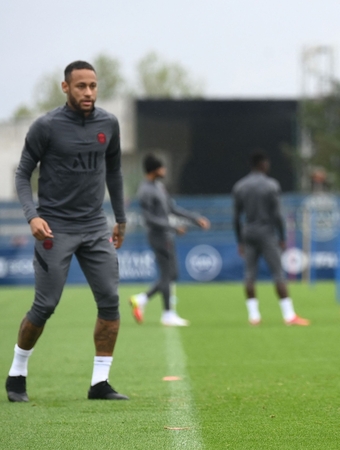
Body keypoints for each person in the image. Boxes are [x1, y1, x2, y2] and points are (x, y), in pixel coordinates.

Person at [6, 60, 128, 402]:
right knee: (45, 305)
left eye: (92, 85)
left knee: (110, 303)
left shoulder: (109, 123)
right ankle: (17, 375)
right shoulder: (46, 126)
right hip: (54, 228)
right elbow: (21, 174)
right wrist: (32, 216)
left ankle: (99, 384)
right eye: (80, 86)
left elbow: (115, 173)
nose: (88, 92)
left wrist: (120, 218)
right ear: (65, 88)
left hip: (94, 226)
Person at [129, 154, 210, 327]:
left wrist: (195, 219)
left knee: (172, 274)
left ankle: (142, 299)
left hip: (165, 235)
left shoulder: (159, 187)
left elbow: (172, 209)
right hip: (158, 236)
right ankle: (167, 314)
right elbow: (149, 219)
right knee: (168, 274)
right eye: (162, 167)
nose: (165, 170)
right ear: (155, 170)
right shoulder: (145, 191)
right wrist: (172, 227)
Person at [232, 152, 309, 326]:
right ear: (263, 164)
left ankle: (254, 316)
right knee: (278, 273)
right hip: (266, 232)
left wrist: (239, 241)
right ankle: (289, 315)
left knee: (249, 274)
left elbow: (236, 217)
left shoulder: (240, 186)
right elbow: (276, 214)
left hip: (248, 232)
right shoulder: (271, 185)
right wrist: (282, 237)